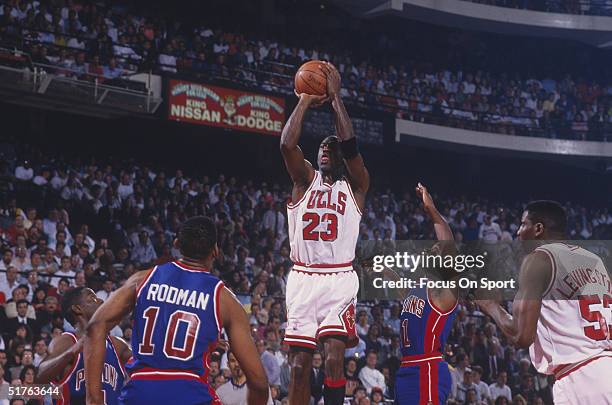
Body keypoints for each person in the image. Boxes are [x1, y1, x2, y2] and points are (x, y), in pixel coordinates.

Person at [84, 216, 269, 405]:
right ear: (215, 251)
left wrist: (94, 399)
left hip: (140, 392)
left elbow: (95, 326)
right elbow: (259, 382)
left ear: (176, 244)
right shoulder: (224, 299)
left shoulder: (143, 279)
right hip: (190, 392)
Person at [280, 62, 369, 405]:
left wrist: (335, 100)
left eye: (332, 149)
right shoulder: (304, 181)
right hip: (303, 277)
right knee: (300, 367)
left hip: (338, 278)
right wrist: (304, 98)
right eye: (321, 149)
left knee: (334, 358)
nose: (325, 151)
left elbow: (351, 144)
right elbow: (287, 145)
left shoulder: (356, 187)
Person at [476, 200, 612, 405]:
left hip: (580, 378)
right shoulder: (595, 259)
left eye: (523, 224)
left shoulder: (538, 259)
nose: (518, 232)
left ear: (538, 228)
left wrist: (491, 307)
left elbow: (521, 336)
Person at [394, 184, 459, 405]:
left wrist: (431, 210)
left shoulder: (446, 291)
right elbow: (402, 292)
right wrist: (381, 270)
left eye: (436, 250)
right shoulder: (419, 288)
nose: (432, 249)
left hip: (427, 366)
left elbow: (448, 245)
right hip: (407, 367)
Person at [36, 287, 131, 405]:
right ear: (77, 308)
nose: (101, 301)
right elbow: (39, 379)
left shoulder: (118, 345)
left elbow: (147, 367)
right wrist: (71, 352)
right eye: (92, 298)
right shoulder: (66, 341)